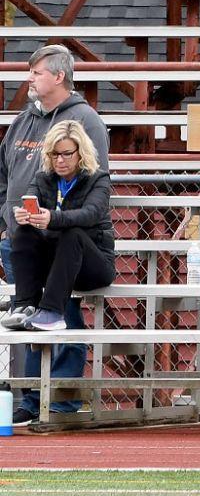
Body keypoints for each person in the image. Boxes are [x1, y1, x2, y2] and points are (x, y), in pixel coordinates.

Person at [2, 46, 110, 423]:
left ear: (59, 76)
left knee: (62, 313)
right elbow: (4, 173)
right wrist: (6, 217)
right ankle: (31, 400)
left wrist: (54, 218)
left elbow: (92, 192)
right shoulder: (23, 120)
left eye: (36, 73)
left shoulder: (86, 120)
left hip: (67, 244)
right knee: (29, 316)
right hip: (22, 238)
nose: (29, 79)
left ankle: (60, 400)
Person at [3, 122, 115, 337]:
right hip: (56, 264)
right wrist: (24, 215)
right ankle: (26, 306)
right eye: (54, 155)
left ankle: (52, 313)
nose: (60, 160)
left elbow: (91, 214)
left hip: (92, 266)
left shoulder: (98, 179)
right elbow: (30, 198)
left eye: (66, 154)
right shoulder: (42, 177)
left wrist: (51, 218)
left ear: (80, 152)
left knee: (73, 234)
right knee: (23, 232)